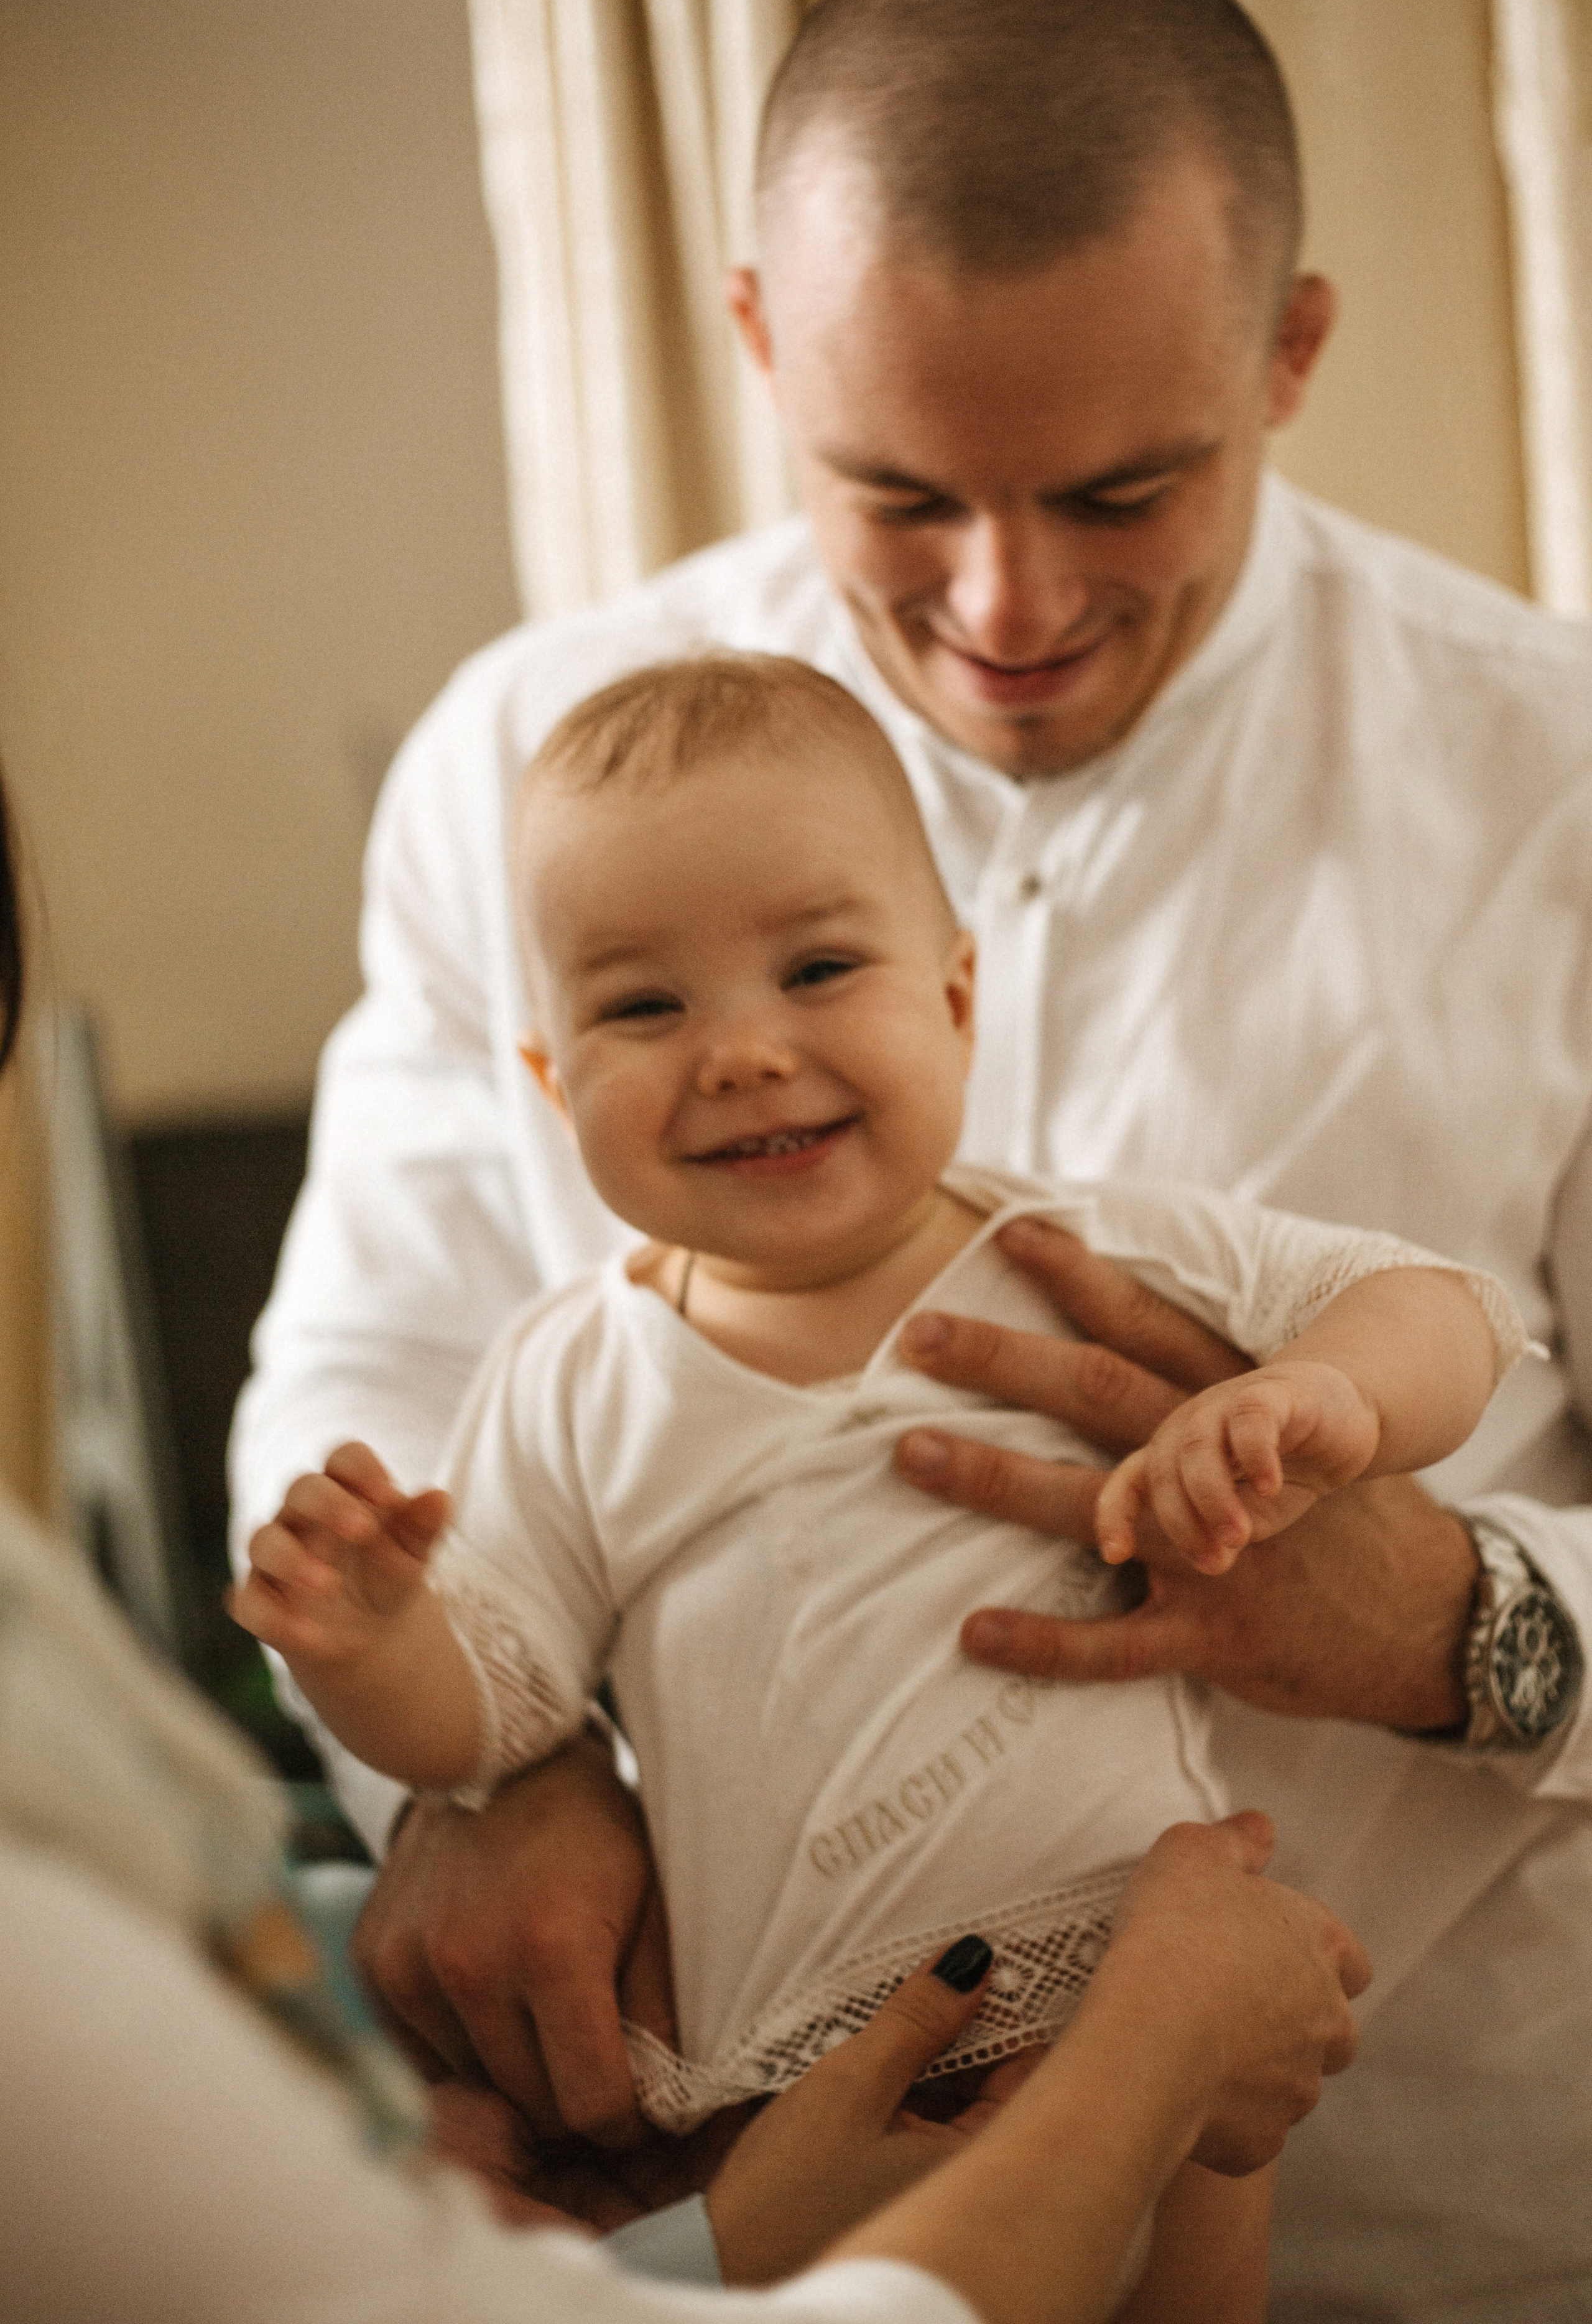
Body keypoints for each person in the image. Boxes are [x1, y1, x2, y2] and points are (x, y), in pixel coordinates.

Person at [229, 0, 1592, 2316]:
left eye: (1122, 490)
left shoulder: (1559, 789)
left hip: (1446, 2207)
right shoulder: (520, 763)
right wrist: (488, 1762)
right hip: (788, 2220)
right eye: (899, 493)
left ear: (1288, 352)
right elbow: (373, 1368)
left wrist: (1461, 1628)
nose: (1005, 602)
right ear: (762, 341)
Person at [0, 761, 1374, 2324]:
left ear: (954, 997)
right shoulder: (573, 1377)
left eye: (818, 970)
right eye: (644, 1009)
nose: (740, 1053)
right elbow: (491, 1713)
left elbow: (1413, 1305)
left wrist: (1319, 1397)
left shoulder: (1078, 1249)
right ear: (549, 1080)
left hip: (1150, 1946)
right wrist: (371, 1645)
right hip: (805, 2068)